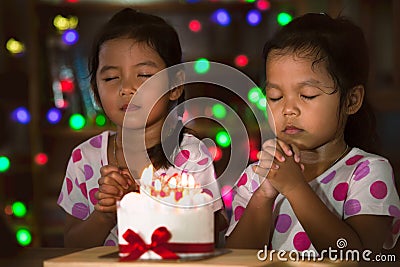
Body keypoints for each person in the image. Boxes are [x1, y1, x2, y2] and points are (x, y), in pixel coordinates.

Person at [225, 13, 400, 255]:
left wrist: (295, 188)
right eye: (275, 97)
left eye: (307, 95)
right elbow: (235, 259)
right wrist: (263, 196)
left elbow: (359, 258)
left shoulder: (367, 173)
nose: (288, 109)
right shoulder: (255, 177)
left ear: (352, 100)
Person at [57, 8, 227, 248]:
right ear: (95, 88)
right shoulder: (84, 158)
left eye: (144, 75)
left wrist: (142, 203)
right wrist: (105, 214)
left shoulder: (190, 155)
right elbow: (72, 247)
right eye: (111, 78)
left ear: (175, 84)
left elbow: (207, 236)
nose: (127, 88)